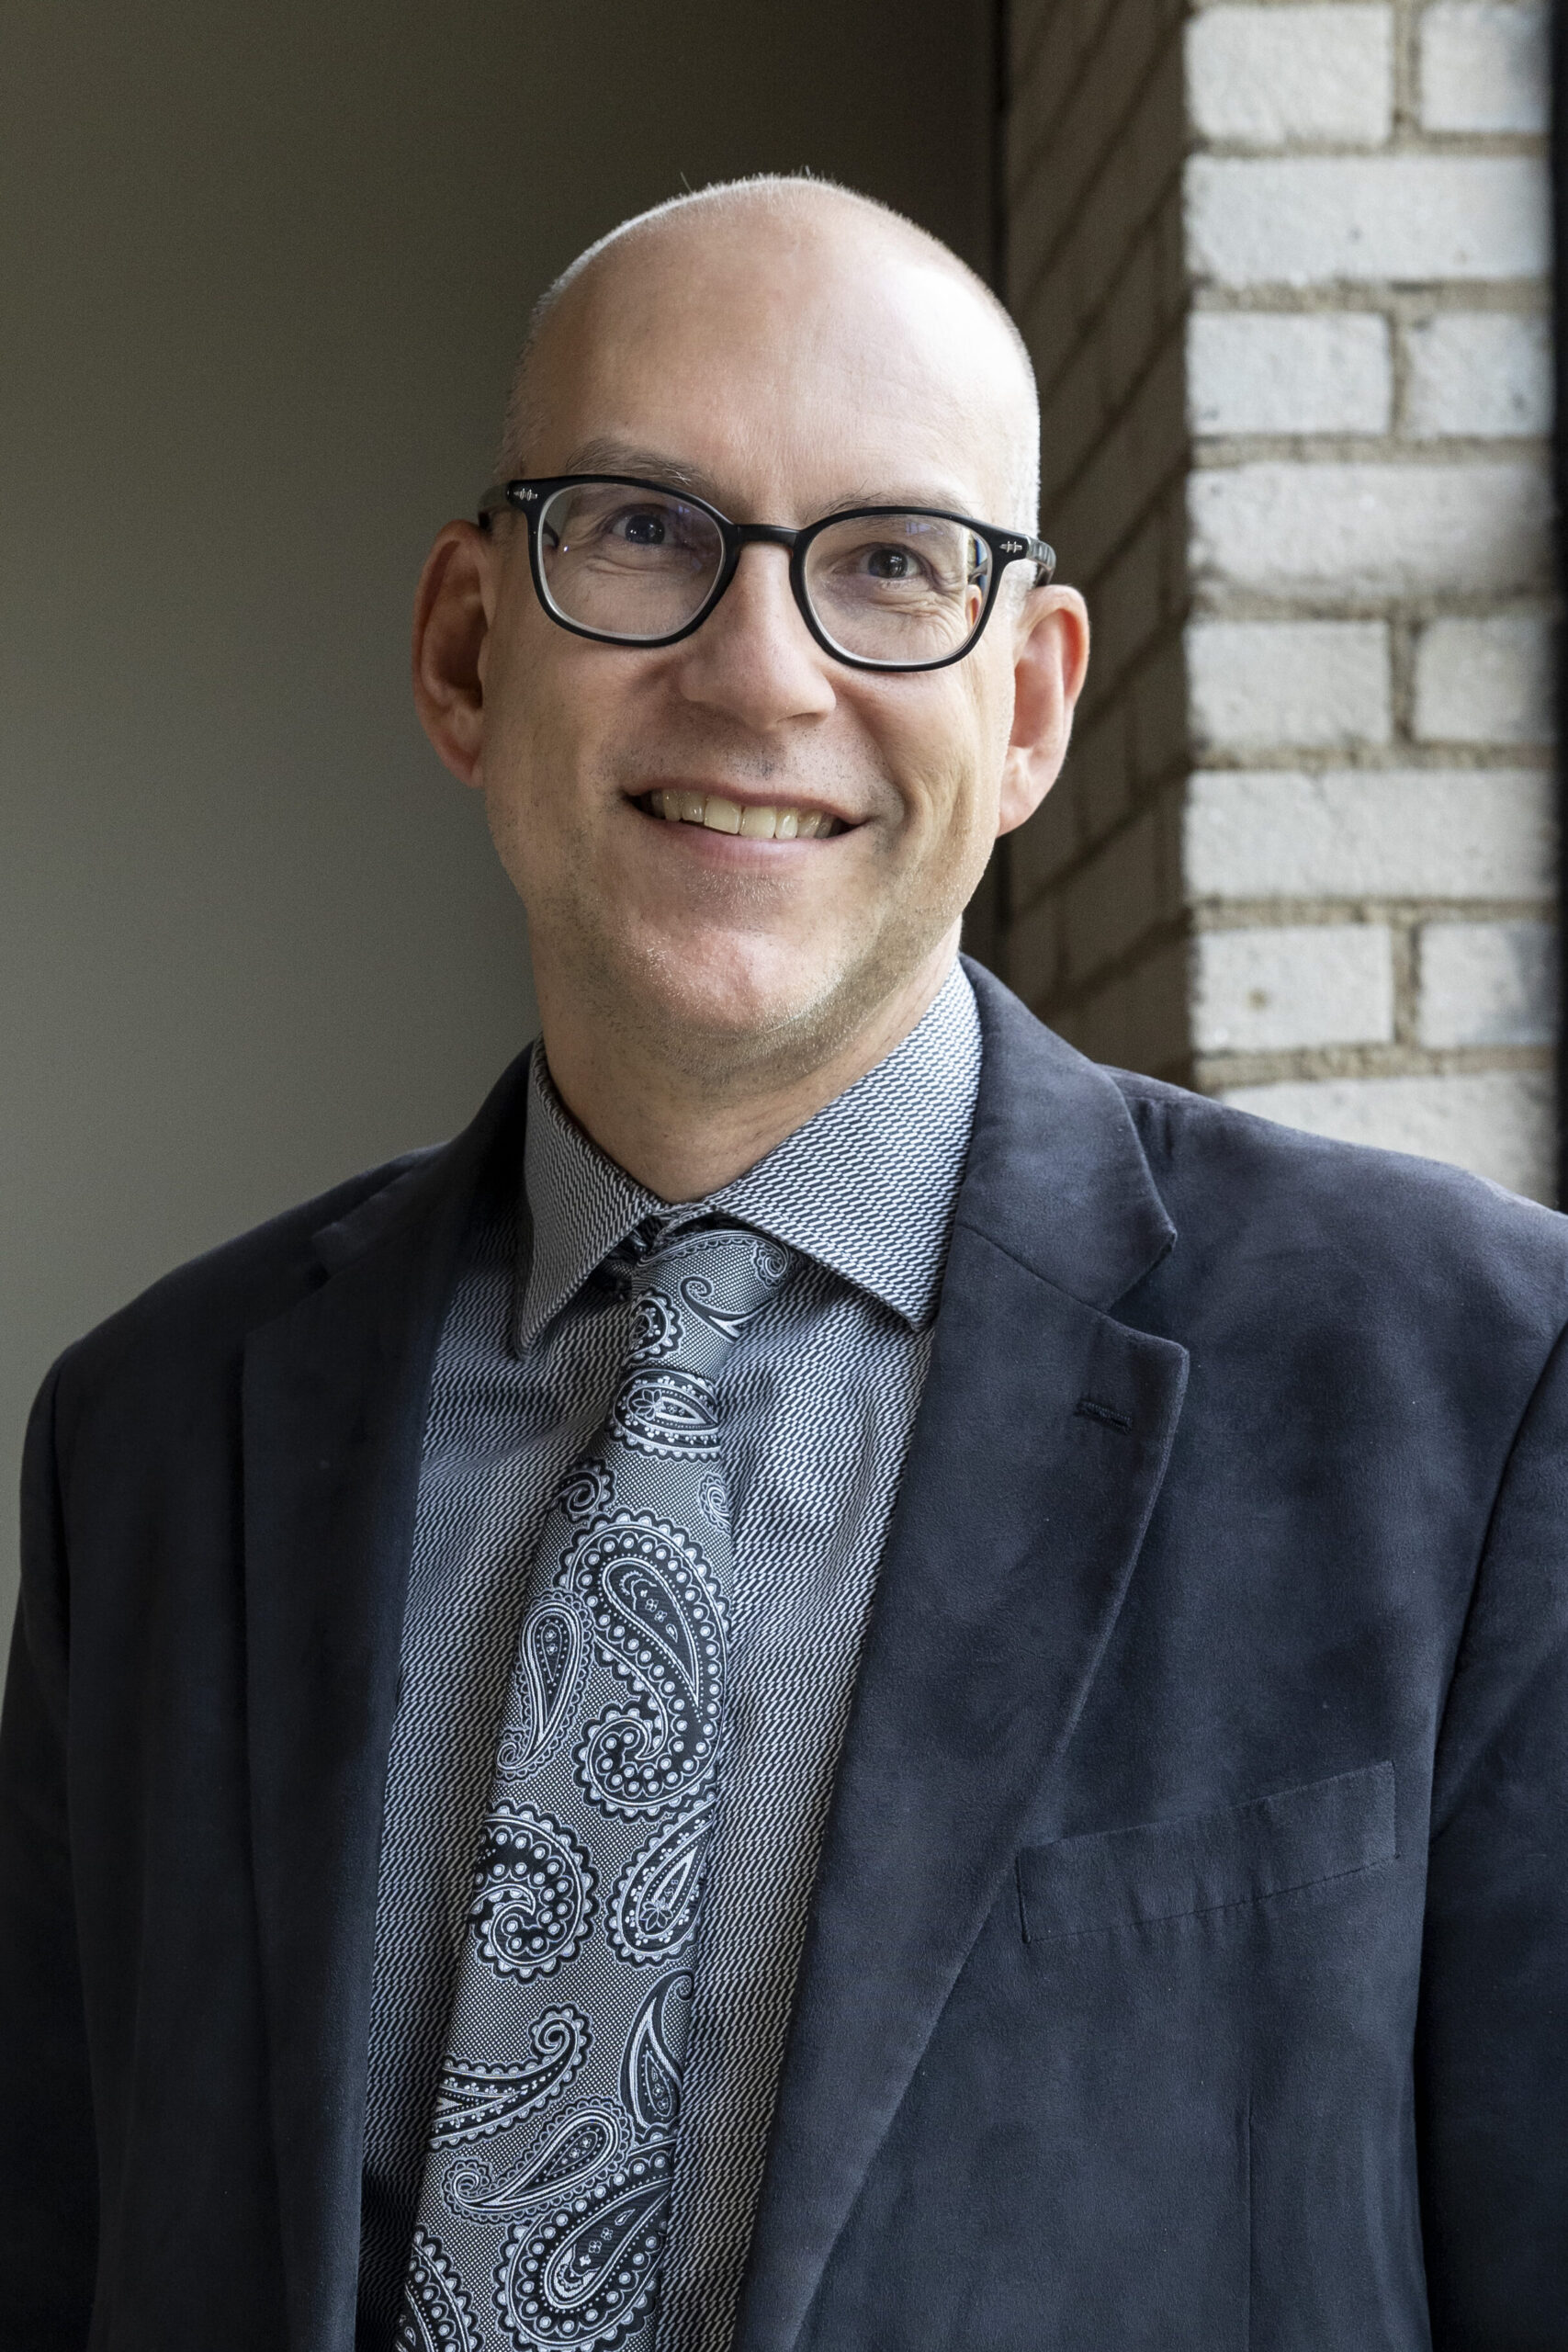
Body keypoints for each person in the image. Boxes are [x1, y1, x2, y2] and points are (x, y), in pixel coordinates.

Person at [2, 174, 1564, 2352]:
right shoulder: (143, 1442)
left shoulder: (1474, 1385)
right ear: (470, 646)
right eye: (641, 528)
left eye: (892, 563)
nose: (760, 669)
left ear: (1026, 708)